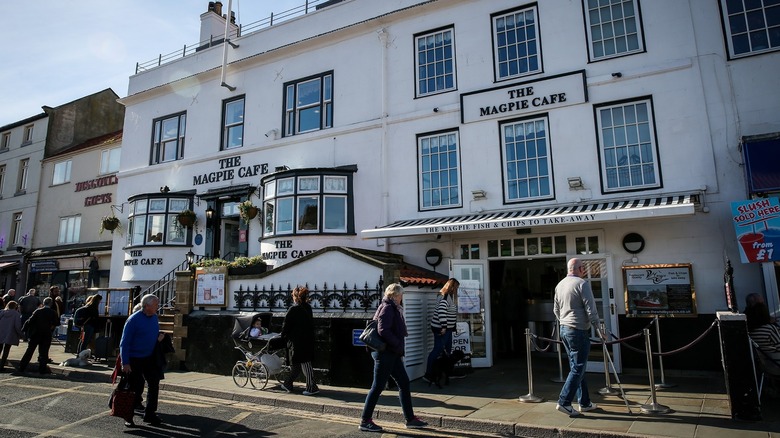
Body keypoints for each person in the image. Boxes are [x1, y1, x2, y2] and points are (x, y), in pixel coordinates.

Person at [359, 283, 427, 432]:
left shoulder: (392, 307)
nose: (402, 298)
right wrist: (397, 344)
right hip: (385, 354)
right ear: (395, 295)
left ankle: (410, 419)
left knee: (404, 383)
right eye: (401, 295)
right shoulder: (387, 308)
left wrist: (397, 347)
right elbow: (383, 331)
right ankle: (365, 420)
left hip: (392, 353)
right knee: (377, 387)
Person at [553, 258, 602, 417]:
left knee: (577, 366)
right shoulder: (582, 284)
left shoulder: (559, 285)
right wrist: (600, 330)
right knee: (578, 367)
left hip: (565, 330)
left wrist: (564, 321)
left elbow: (556, 310)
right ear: (580, 269)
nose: (585, 271)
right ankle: (564, 401)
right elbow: (591, 309)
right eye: (584, 268)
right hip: (578, 330)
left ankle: (584, 402)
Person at [120, 294, 164, 427]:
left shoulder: (154, 318)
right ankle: (128, 416)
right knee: (134, 387)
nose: (158, 306)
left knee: (154, 384)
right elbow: (124, 342)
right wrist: (125, 362)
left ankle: (150, 414)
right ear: (147, 306)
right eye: (156, 304)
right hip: (134, 358)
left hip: (149, 357)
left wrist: (158, 339)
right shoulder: (133, 320)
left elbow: (150, 335)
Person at [280, 286, 319, 395]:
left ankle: (312, 387)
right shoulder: (308, 307)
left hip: (298, 341)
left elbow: (286, 325)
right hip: (307, 339)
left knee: (304, 363)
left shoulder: (293, 309)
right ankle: (288, 383)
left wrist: (282, 336)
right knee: (298, 364)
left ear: (295, 297)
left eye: (293, 295)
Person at [423, 278, 459, 383]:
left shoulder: (447, 296)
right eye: (456, 287)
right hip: (442, 329)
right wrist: (444, 327)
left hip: (447, 328)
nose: (457, 290)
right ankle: (428, 374)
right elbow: (441, 312)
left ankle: (446, 372)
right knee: (437, 350)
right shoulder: (445, 297)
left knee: (447, 350)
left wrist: (452, 327)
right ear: (452, 287)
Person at [18, 297, 59, 374]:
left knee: (30, 351)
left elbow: (29, 321)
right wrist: (50, 329)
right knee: (44, 352)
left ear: (43, 303)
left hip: (36, 333)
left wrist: (23, 330)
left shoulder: (38, 311)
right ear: (50, 304)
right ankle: (42, 369)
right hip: (46, 334)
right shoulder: (53, 312)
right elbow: (56, 323)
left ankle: (22, 366)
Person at [0, 301, 24, 372]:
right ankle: (1, 365)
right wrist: (22, 335)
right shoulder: (16, 314)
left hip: (1, 332)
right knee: (6, 351)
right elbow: (17, 326)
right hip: (10, 334)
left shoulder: (2, 312)